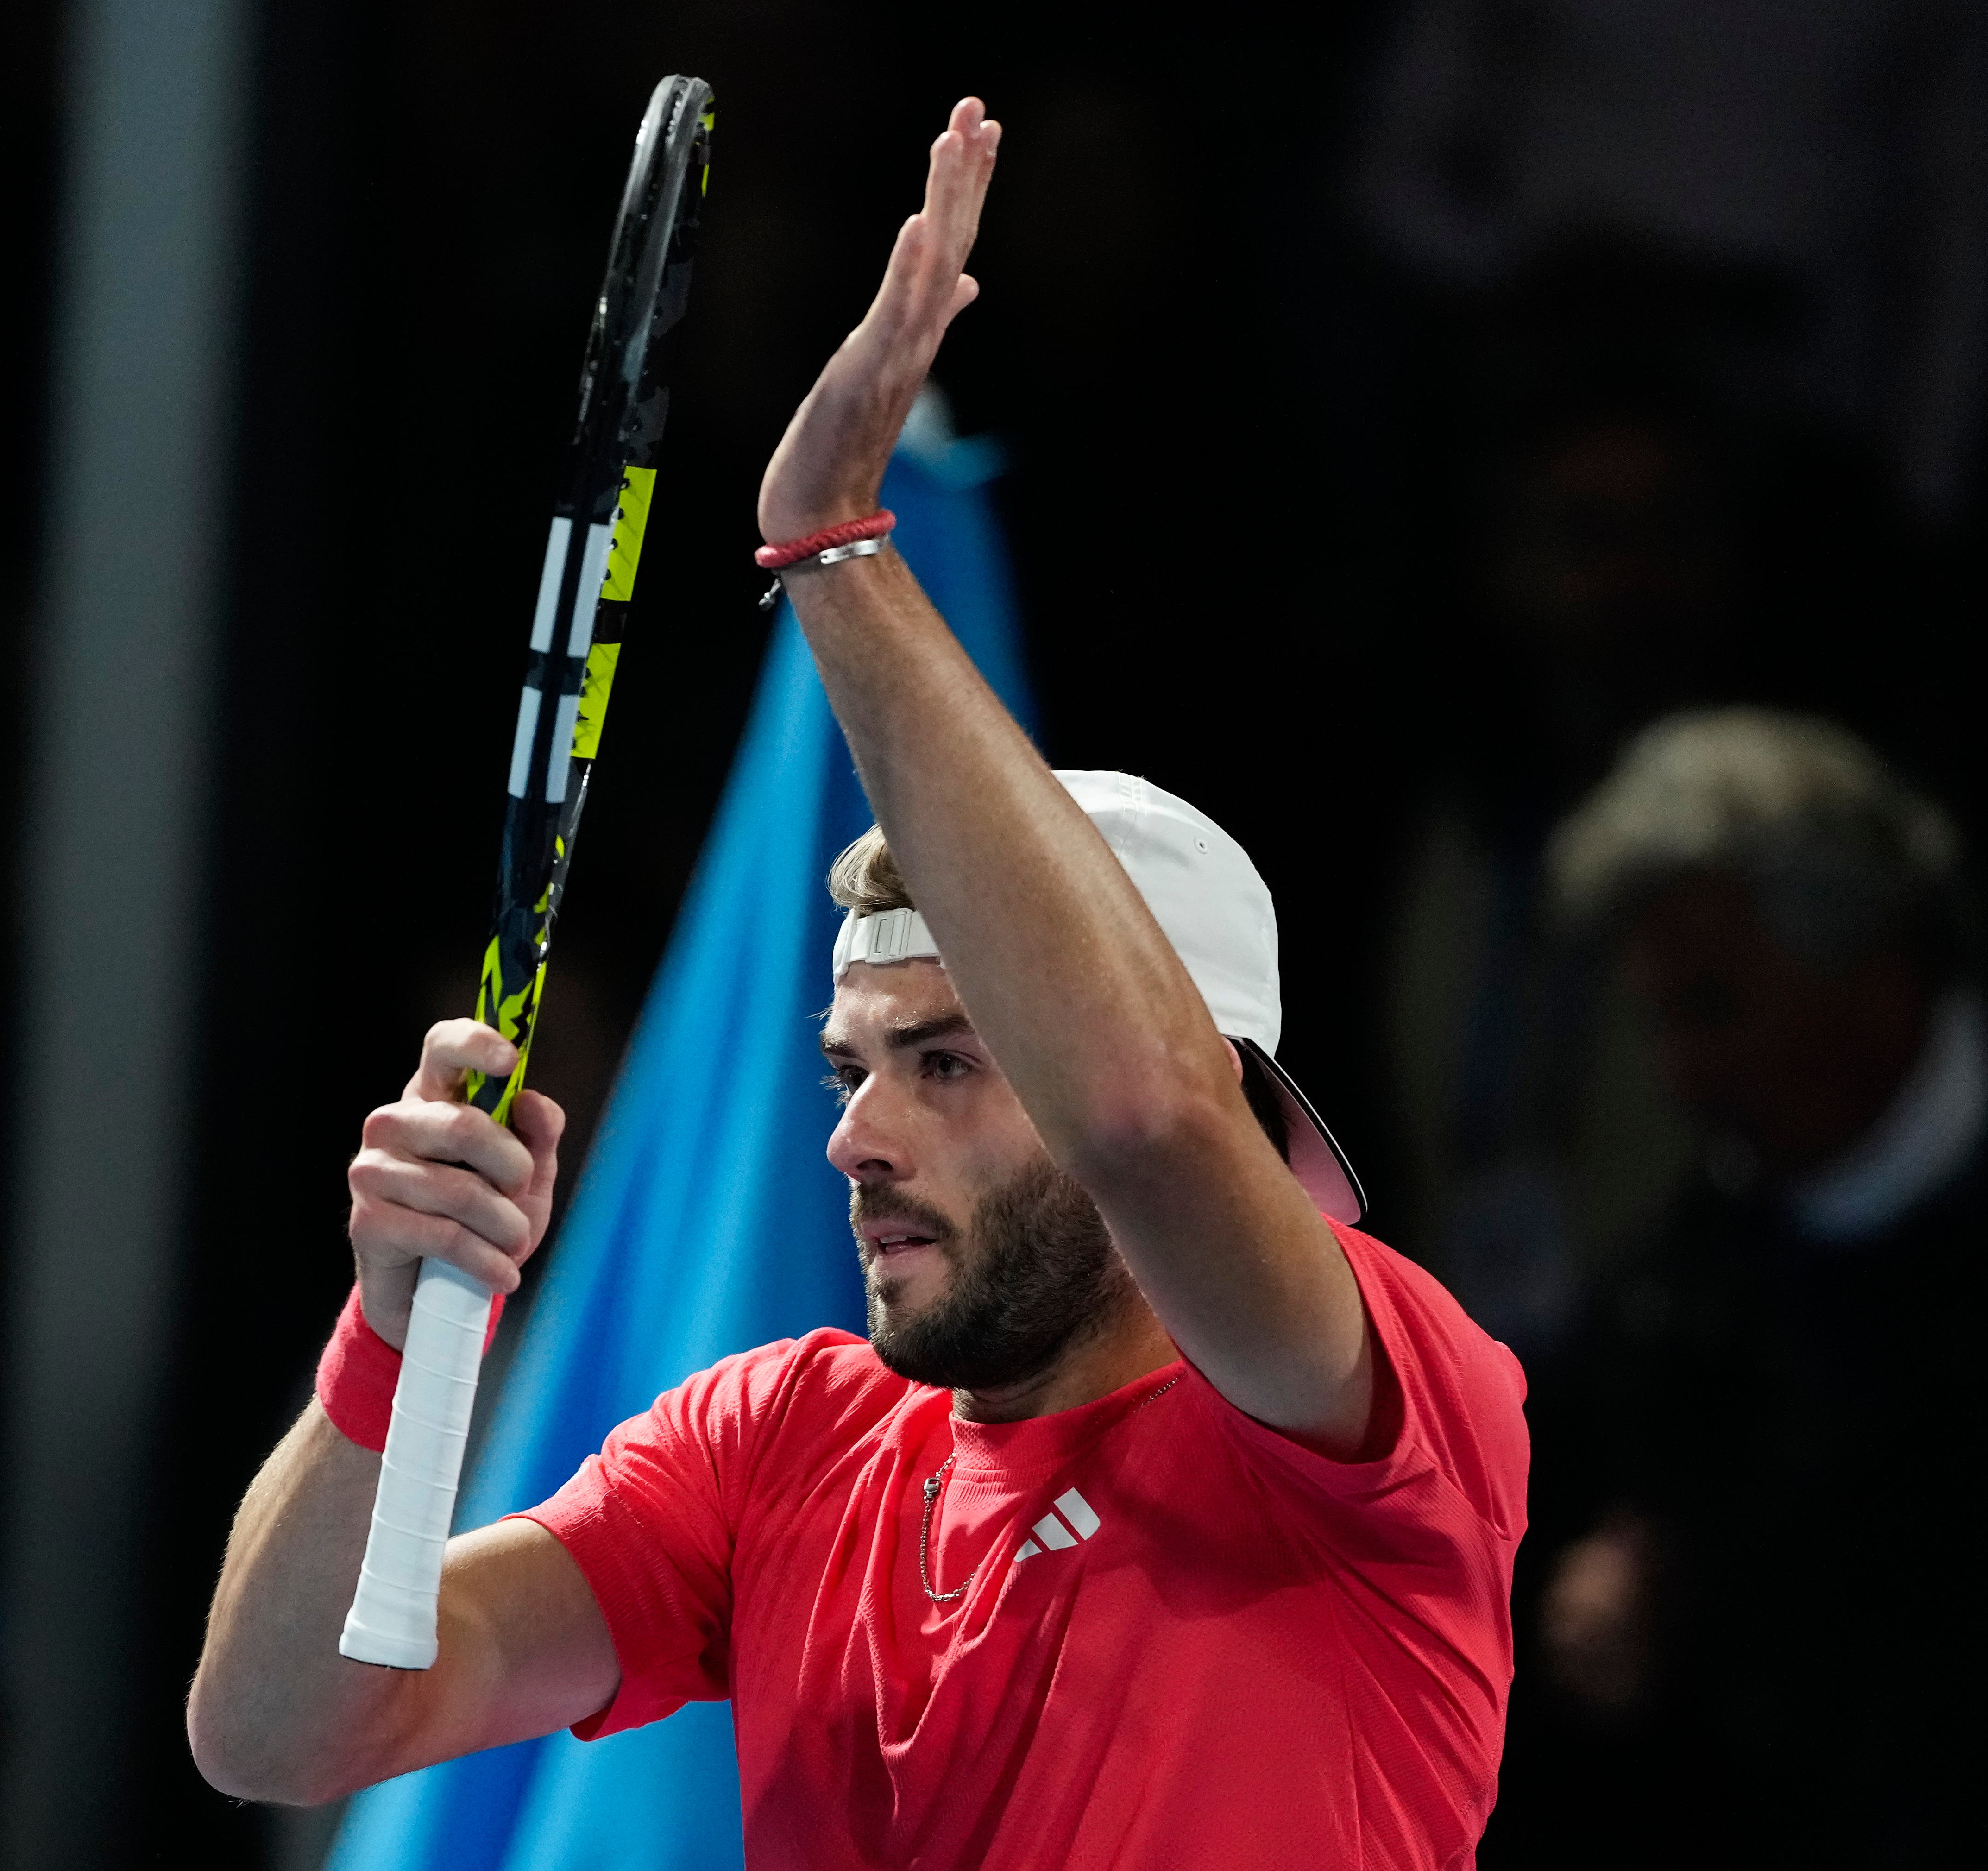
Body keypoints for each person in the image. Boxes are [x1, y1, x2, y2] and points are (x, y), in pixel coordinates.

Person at [189, 100, 1530, 1866]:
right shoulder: (771, 1447)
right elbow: (282, 1733)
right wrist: (388, 1328)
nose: (856, 1136)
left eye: (952, 1064)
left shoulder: (1369, 1409)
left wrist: (830, 549)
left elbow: (1137, 1113)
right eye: (847, 1068)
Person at [1500, 708, 1988, 1866]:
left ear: (1871, 969)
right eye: (1657, 1018)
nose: (1677, 1073)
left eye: (1711, 1008)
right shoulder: (1675, 1289)